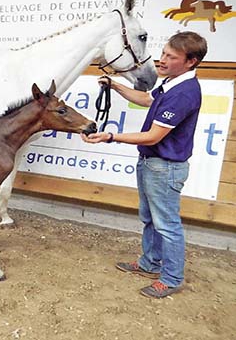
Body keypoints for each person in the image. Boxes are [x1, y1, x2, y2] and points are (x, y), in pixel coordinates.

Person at [81, 31, 207, 299]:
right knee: (150, 218)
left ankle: (172, 278)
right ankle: (151, 262)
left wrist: (111, 136)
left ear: (191, 61)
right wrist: (115, 85)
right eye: (163, 54)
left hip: (165, 167)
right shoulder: (172, 83)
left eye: (171, 57)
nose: (162, 60)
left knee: (167, 225)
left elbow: (153, 136)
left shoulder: (184, 93)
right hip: (152, 163)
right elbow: (147, 99)